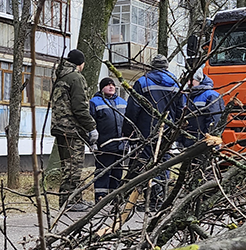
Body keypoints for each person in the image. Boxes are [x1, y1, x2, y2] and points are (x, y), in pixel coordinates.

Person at [122, 54, 182, 208]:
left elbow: (132, 109)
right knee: (163, 162)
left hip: (146, 130)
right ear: (166, 67)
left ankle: (147, 198)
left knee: (145, 163)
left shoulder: (143, 81)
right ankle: (160, 198)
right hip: (168, 130)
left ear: (152, 66)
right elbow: (181, 110)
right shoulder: (176, 83)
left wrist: (127, 132)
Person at [50, 49, 98, 211]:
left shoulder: (61, 76)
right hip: (71, 129)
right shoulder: (76, 78)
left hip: (60, 127)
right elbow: (80, 108)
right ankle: (70, 202)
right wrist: (91, 127)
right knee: (74, 167)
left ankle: (73, 199)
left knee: (68, 167)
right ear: (81, 63)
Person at [89, 77, 127, 201]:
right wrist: (92, 142)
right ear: (102, 88)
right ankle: (101, 197)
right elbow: (90, 123)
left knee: (117, 171)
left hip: (120, 145)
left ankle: (115, 196)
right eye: (107, 85)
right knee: (103, 171)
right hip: (104, 144)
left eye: (112, 85)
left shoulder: (122, 102)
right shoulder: (95, 102)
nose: (111, 87)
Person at [181, 69, 224, 144]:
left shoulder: (211, 95)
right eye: (187, 80)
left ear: (199, 79)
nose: (188, 83)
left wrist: (209, 139)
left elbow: (215, 121)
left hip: (204, 142)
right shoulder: (186, 95)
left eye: (191, 80)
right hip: (188, 140)